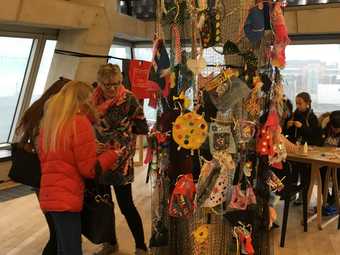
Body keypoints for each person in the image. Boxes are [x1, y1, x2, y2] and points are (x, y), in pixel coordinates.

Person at [38, 80, 121, 255]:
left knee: (63, 247)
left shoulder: (51, 124)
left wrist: (90, 148)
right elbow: (89, 170)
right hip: (67, 197)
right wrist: (112, 155)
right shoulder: (79, 122)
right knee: (72, 250)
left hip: (49, 195)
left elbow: (60, 158)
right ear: (83, 101)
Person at [92, 64, 149, 255]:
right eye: (107, 85)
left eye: (116, 84)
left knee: (126, 205)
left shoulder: (129, 99)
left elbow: (142, 126)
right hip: (98, 160)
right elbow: (85, 125)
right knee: (103, 206)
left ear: (121, 81)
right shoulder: (92, 100)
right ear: (99, 83)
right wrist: (93, 143)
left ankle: (141, 246)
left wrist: (122, 141)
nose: (112, 89)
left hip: (121, 162)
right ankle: (110, 243)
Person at [15, 77, 70, 255]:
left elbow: (24, 142)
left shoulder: (35, 110)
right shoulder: (51, 116)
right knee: (58, 233)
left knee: (56, 230)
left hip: (39, 180)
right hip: (51, 179)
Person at [284, 92, 322, 205]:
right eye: (296, 103)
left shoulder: (312, 117)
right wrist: (288, 126)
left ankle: (303, 195)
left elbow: (315, 135)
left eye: (300, 103)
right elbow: (288, 133)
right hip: (295, 147)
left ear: (307, 104)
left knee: (305, 173)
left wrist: (302, 127)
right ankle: (292, 193)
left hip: (308, 149)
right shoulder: (295, 114)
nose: (298, 106)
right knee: (293, 171)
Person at [319, 110, 340, 215]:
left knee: (338, 175)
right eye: (334, 128)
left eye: (338, 128)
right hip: (324, 159)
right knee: (321, 173)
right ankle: (326, 199)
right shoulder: (326, 127)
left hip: (337, 162)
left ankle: (335, 199)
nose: (336, 130)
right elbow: (319, 141)